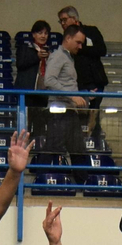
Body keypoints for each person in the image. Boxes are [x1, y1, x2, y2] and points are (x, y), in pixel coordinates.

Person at [56, 7, 108, 137]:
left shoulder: (91, 31)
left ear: (74, 18)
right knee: (78, 117)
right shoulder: (64, 39)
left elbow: (101, 50)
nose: (62, 23)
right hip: (76, 83)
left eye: (64, 20)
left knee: (93, 115)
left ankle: (95, 142)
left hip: (94, 80)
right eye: (60, 21)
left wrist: (80, 47)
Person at [44, 25, 90, 167]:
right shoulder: (58, 56)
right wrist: (72, 96)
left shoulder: (67, 57)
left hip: (68, 111)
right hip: (60, 112)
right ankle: (42, 179)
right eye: (78, 42)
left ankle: (83, 183)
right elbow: (49, 80)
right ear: (68, 38)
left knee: (78, 150)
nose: (80, 46)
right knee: (54, 149)